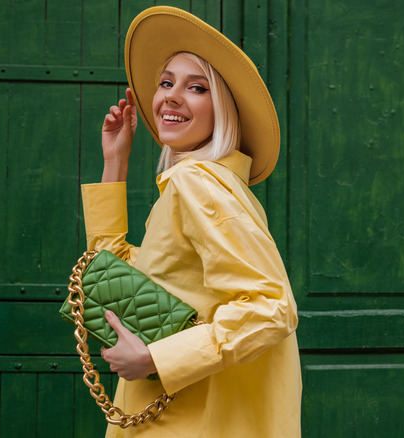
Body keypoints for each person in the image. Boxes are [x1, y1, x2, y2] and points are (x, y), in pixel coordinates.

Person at [80, 6, 301, 437]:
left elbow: (272, 307)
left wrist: (157, 359)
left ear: (223, 110)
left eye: (196, 87)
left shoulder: (196, 184)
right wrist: (115, 163)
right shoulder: (208, 186)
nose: (171, 96)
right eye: (166, 82)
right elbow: (115, 276)